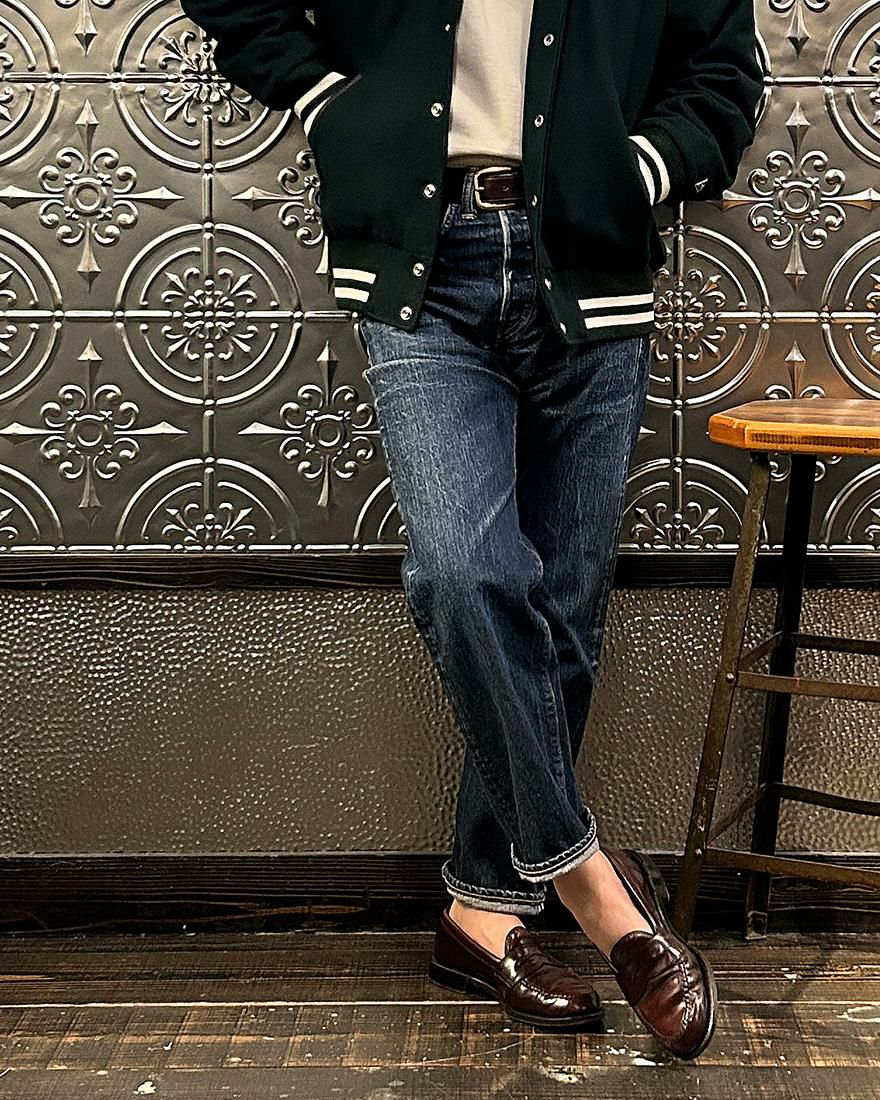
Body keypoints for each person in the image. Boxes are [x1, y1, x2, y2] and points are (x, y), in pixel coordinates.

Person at [178, 0, 765, 1059]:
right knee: (462, 572)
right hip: (422, 265)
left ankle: (483, 910)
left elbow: (722, 78)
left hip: (589, 267)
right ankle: (594, 888)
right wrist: (328, 103)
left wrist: (629, 170)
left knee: (561, 616)